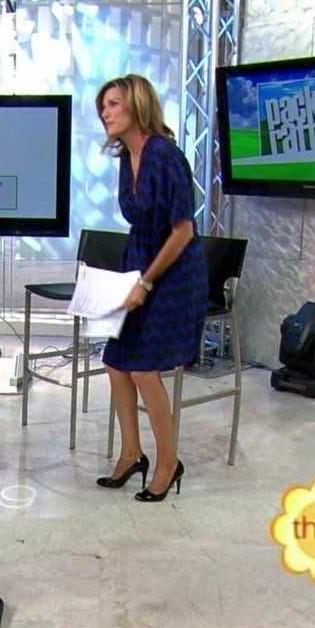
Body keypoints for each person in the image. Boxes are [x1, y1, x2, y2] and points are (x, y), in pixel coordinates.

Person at [94, 74, 208, 503]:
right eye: (103, 106)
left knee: (143, 369)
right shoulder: (127, 158)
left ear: (137, 105)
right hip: (139, 264)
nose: (105, 113)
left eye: (114, 104)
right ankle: (131, 454)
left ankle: (168, 463)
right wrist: (132, 279)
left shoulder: (165, 155)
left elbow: (183, 231)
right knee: (115, 361)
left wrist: (146, 281)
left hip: (174, 273)